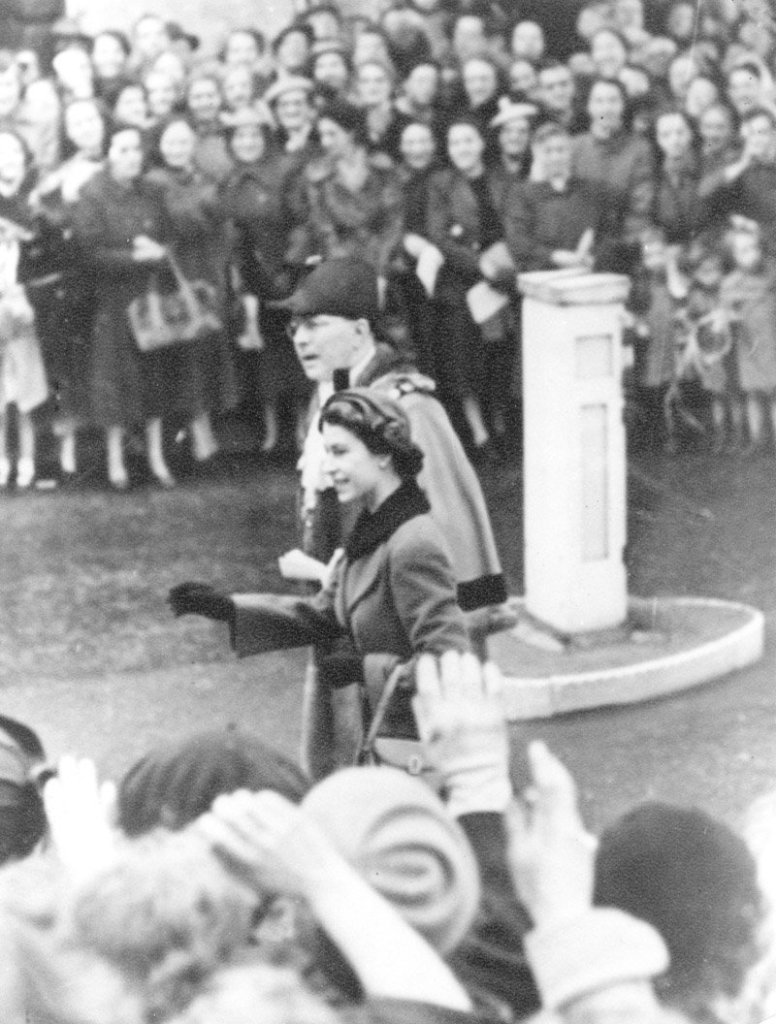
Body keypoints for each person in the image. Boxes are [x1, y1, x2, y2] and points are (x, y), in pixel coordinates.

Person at [169, 387, 471, 768]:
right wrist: (229, 608)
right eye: (327, 452)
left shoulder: (412, 543)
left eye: (340, 452)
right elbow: (325, 612)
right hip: (383, 743)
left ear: (383, 453)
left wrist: (366, 669)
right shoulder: (374, 527)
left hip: (418, 753)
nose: (328, 467)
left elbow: (449, 664)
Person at [72, 123, 174, 490]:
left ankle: (156, 455)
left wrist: (159, 254)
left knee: (153, 376)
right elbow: (88, 251)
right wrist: (136, 256)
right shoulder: (94, 195)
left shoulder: (152, 192)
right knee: (115, 379)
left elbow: (167, 236)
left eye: (136, 150)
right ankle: (116, 460)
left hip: (149, 297)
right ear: (108, 154)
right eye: (122, 150)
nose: (132, 157)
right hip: (112, 301)